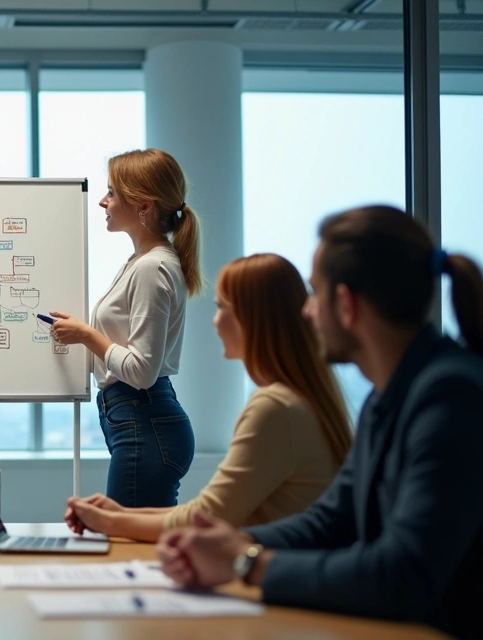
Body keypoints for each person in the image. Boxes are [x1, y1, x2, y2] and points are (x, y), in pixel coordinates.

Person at [155, 205, 483, 637]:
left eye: (314, 293)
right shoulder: (389, 397)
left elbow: (403, 573)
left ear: (346, 304)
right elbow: (330, 521)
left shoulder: (450, 396)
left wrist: (247, 563)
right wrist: (231, 545)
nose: (307, 312)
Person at [63, 253, 353, 542]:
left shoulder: (275, 407)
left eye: (222, 307)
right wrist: (119, 515)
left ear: (252, 318)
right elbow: (207, 511)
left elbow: (208, 517)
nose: (215, 321)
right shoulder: (294, 401)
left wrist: (110, 521)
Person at [49, 148, 203, 507]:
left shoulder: (152, 268)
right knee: (132, 535)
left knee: (125, 536)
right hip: (139, 418)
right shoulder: (141, 263)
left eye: (112, 193)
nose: (103, 202)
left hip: (143, 419)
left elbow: (142, 372)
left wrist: (86, 335)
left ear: (144, 206)